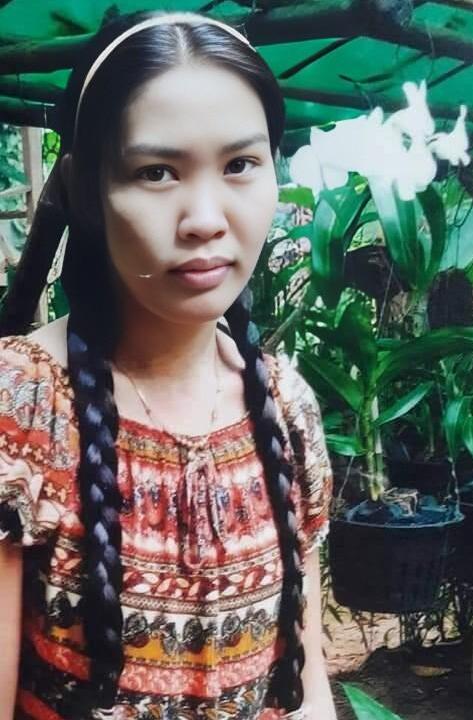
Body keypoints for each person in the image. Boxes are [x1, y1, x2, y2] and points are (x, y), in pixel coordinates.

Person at [0, 9, 336, 720]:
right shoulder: (21, 410)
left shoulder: (285, 407)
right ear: (87, 192)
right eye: (156, 172)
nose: (206, 218)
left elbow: (307, 692)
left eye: (240, 165)